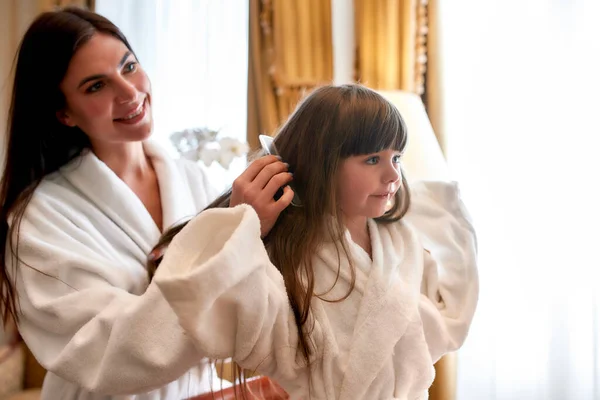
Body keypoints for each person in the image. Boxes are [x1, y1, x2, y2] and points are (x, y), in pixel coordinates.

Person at [0, 7, 293, 400]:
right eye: (95, 87)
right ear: (63, 113)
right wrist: (234, 239)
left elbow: (247, 306)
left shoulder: (196, 180)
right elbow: (109, 353)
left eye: (129, 66)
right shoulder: (38, 219)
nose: (129, 92)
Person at [148, 84, 480, 399]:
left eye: (397, 158)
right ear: (323, 163)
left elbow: (440, 328)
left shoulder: (401, 240)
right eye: (372, 159)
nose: (393, 176)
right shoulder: (289, 253)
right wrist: (239, 231)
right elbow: (214, 311)